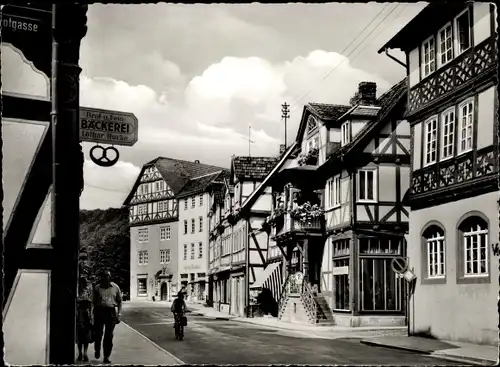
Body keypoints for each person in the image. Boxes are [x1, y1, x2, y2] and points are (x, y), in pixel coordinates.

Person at [92, 270, 122, 364]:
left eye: (108, 278)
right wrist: (92, 315)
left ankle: (106, 356)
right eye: (104, 278)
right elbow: (93, 302)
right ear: (101, 278)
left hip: (111, 312)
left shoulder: (115, 287)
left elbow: (120, 301)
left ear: (110, 278)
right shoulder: (97, 288)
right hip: (99, 311)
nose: (106, 280)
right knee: (98, 334)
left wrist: (119, 314)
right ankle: (97, 349)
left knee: (109, 336)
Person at [76, 277, 93, 362]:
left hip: (86, 314)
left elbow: (90, 303)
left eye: (85, 282)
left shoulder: (88, 291)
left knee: (86, 335)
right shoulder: (77, 291)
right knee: (79, 335)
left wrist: (91, 316)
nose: (85, 284)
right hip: (79, 314)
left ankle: (85, 353)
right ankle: (80, 353)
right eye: (83, 282)